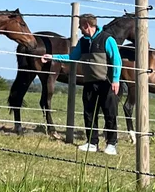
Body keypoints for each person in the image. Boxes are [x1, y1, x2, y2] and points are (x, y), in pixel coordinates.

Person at [42, 13, 122, 154]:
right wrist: (52, 57)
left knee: (110, 113)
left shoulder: (107, 40)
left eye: (80, 26)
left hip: (107, 83)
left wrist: (115, 80)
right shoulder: (83, 42)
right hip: (90, 83)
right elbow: (72, 57)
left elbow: (116, 60)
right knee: (89, 114)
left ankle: (111, 144)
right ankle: (92, 142)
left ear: (86, 25)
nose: (79, 29)